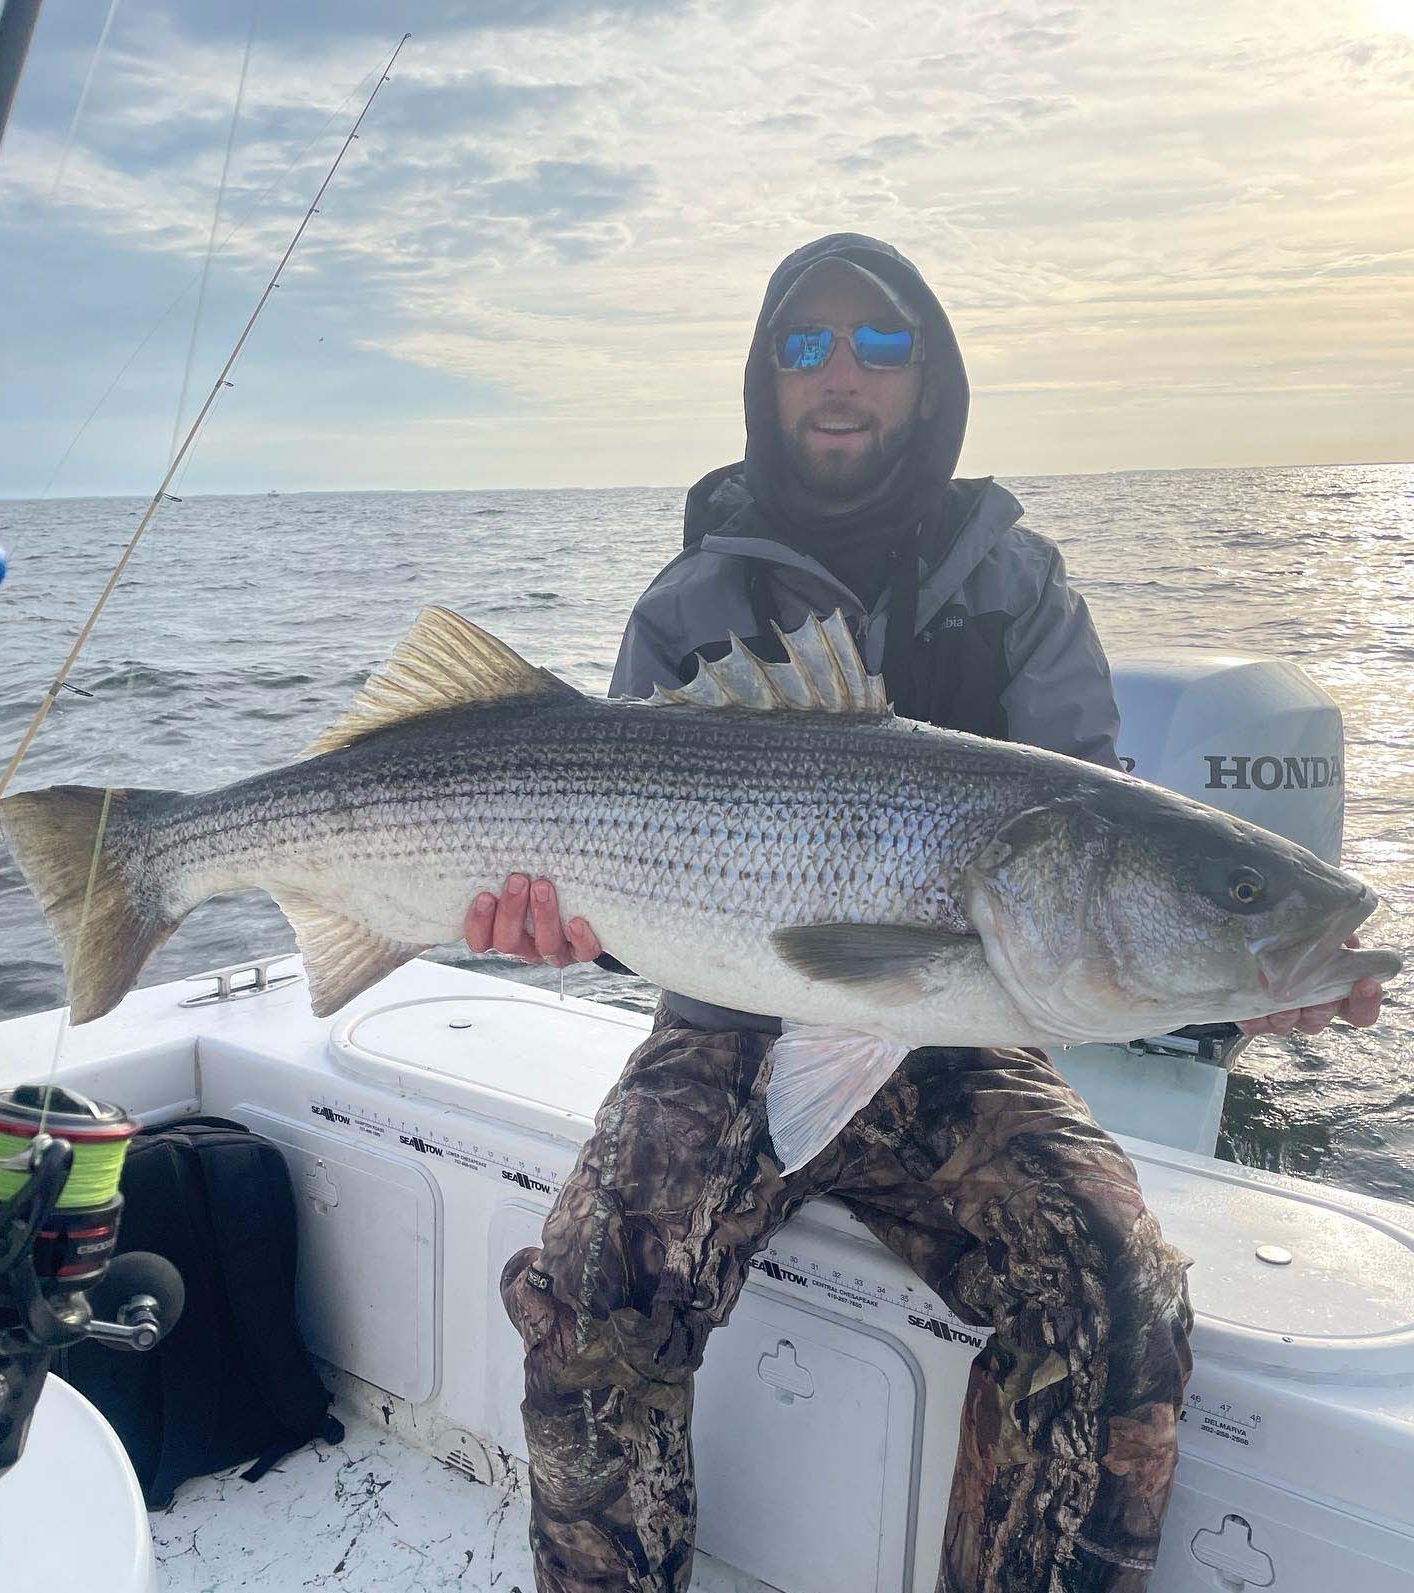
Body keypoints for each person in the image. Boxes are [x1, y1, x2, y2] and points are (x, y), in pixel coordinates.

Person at [465, 234, 1385, 1592]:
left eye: (880, 344)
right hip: (732, 1026)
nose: (843, 374)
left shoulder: (1018, 588)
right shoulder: (691, 603)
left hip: (970, 1039)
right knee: (593, 1276)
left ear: (930, 377)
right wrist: (571, 928)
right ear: (765, 381)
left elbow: (1104, 871)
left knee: (1121, 1294)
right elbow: (622, 876)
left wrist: (1252, 966)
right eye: (807, 345)